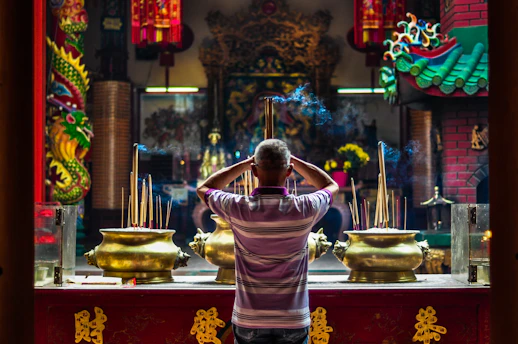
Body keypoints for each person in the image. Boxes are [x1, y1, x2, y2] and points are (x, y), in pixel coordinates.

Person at [196, 139, 339, 344]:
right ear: (289, 172)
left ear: (254, 171)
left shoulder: (238, 207)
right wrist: (294, 161)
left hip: (249, 318)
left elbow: (205, 187)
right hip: (293, 318)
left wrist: (246, 164)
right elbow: (330, 185)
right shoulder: (305, 207)